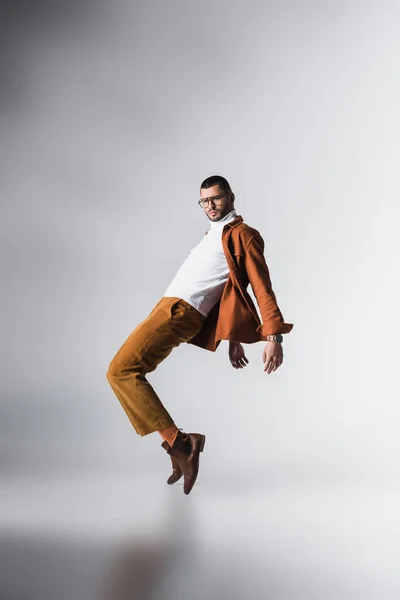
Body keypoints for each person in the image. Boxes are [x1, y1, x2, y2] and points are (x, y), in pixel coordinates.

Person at [106, 175, 293, 495]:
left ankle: (182, 445)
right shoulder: (214, 234)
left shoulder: (244, 235)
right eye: (204, 201)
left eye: (216, 199)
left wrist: (272, 337)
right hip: (168, 307)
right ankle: (180, 445)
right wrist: (232, 337)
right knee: (124, 371)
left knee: (121, 370)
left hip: (180, 311)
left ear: (231, 197)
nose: (210, 205)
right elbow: (230, 289)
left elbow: (261, 288)